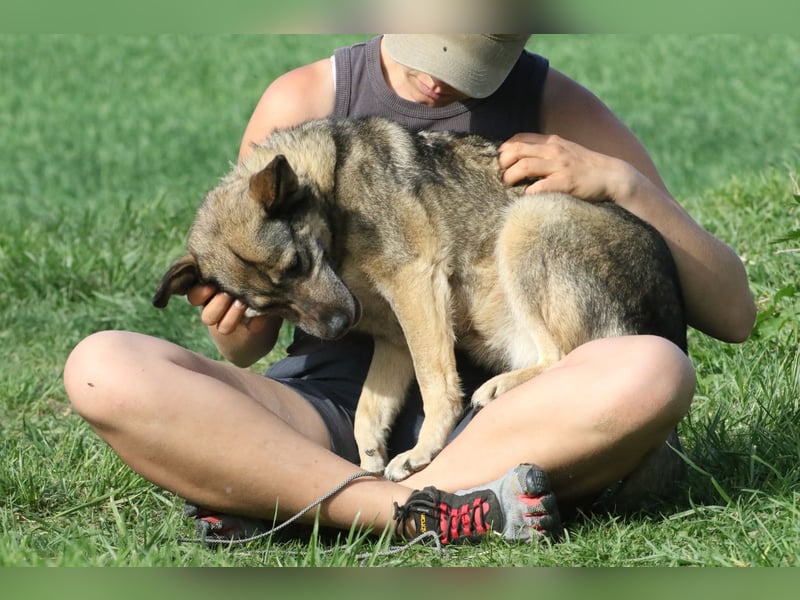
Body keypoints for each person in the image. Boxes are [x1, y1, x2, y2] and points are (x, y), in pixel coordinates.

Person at [63, 34, 756, 546]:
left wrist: (624, 185)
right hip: (329, 416)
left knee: (656, 370)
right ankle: (417, 511)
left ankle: (296, 501)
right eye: (429, 50)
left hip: (503, 427)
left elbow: (734, 314)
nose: (436, 81)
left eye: (471, 61)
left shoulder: (557, 104)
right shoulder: (303, 102)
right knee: (102, 368)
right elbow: (248, 341)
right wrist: (235, 324)